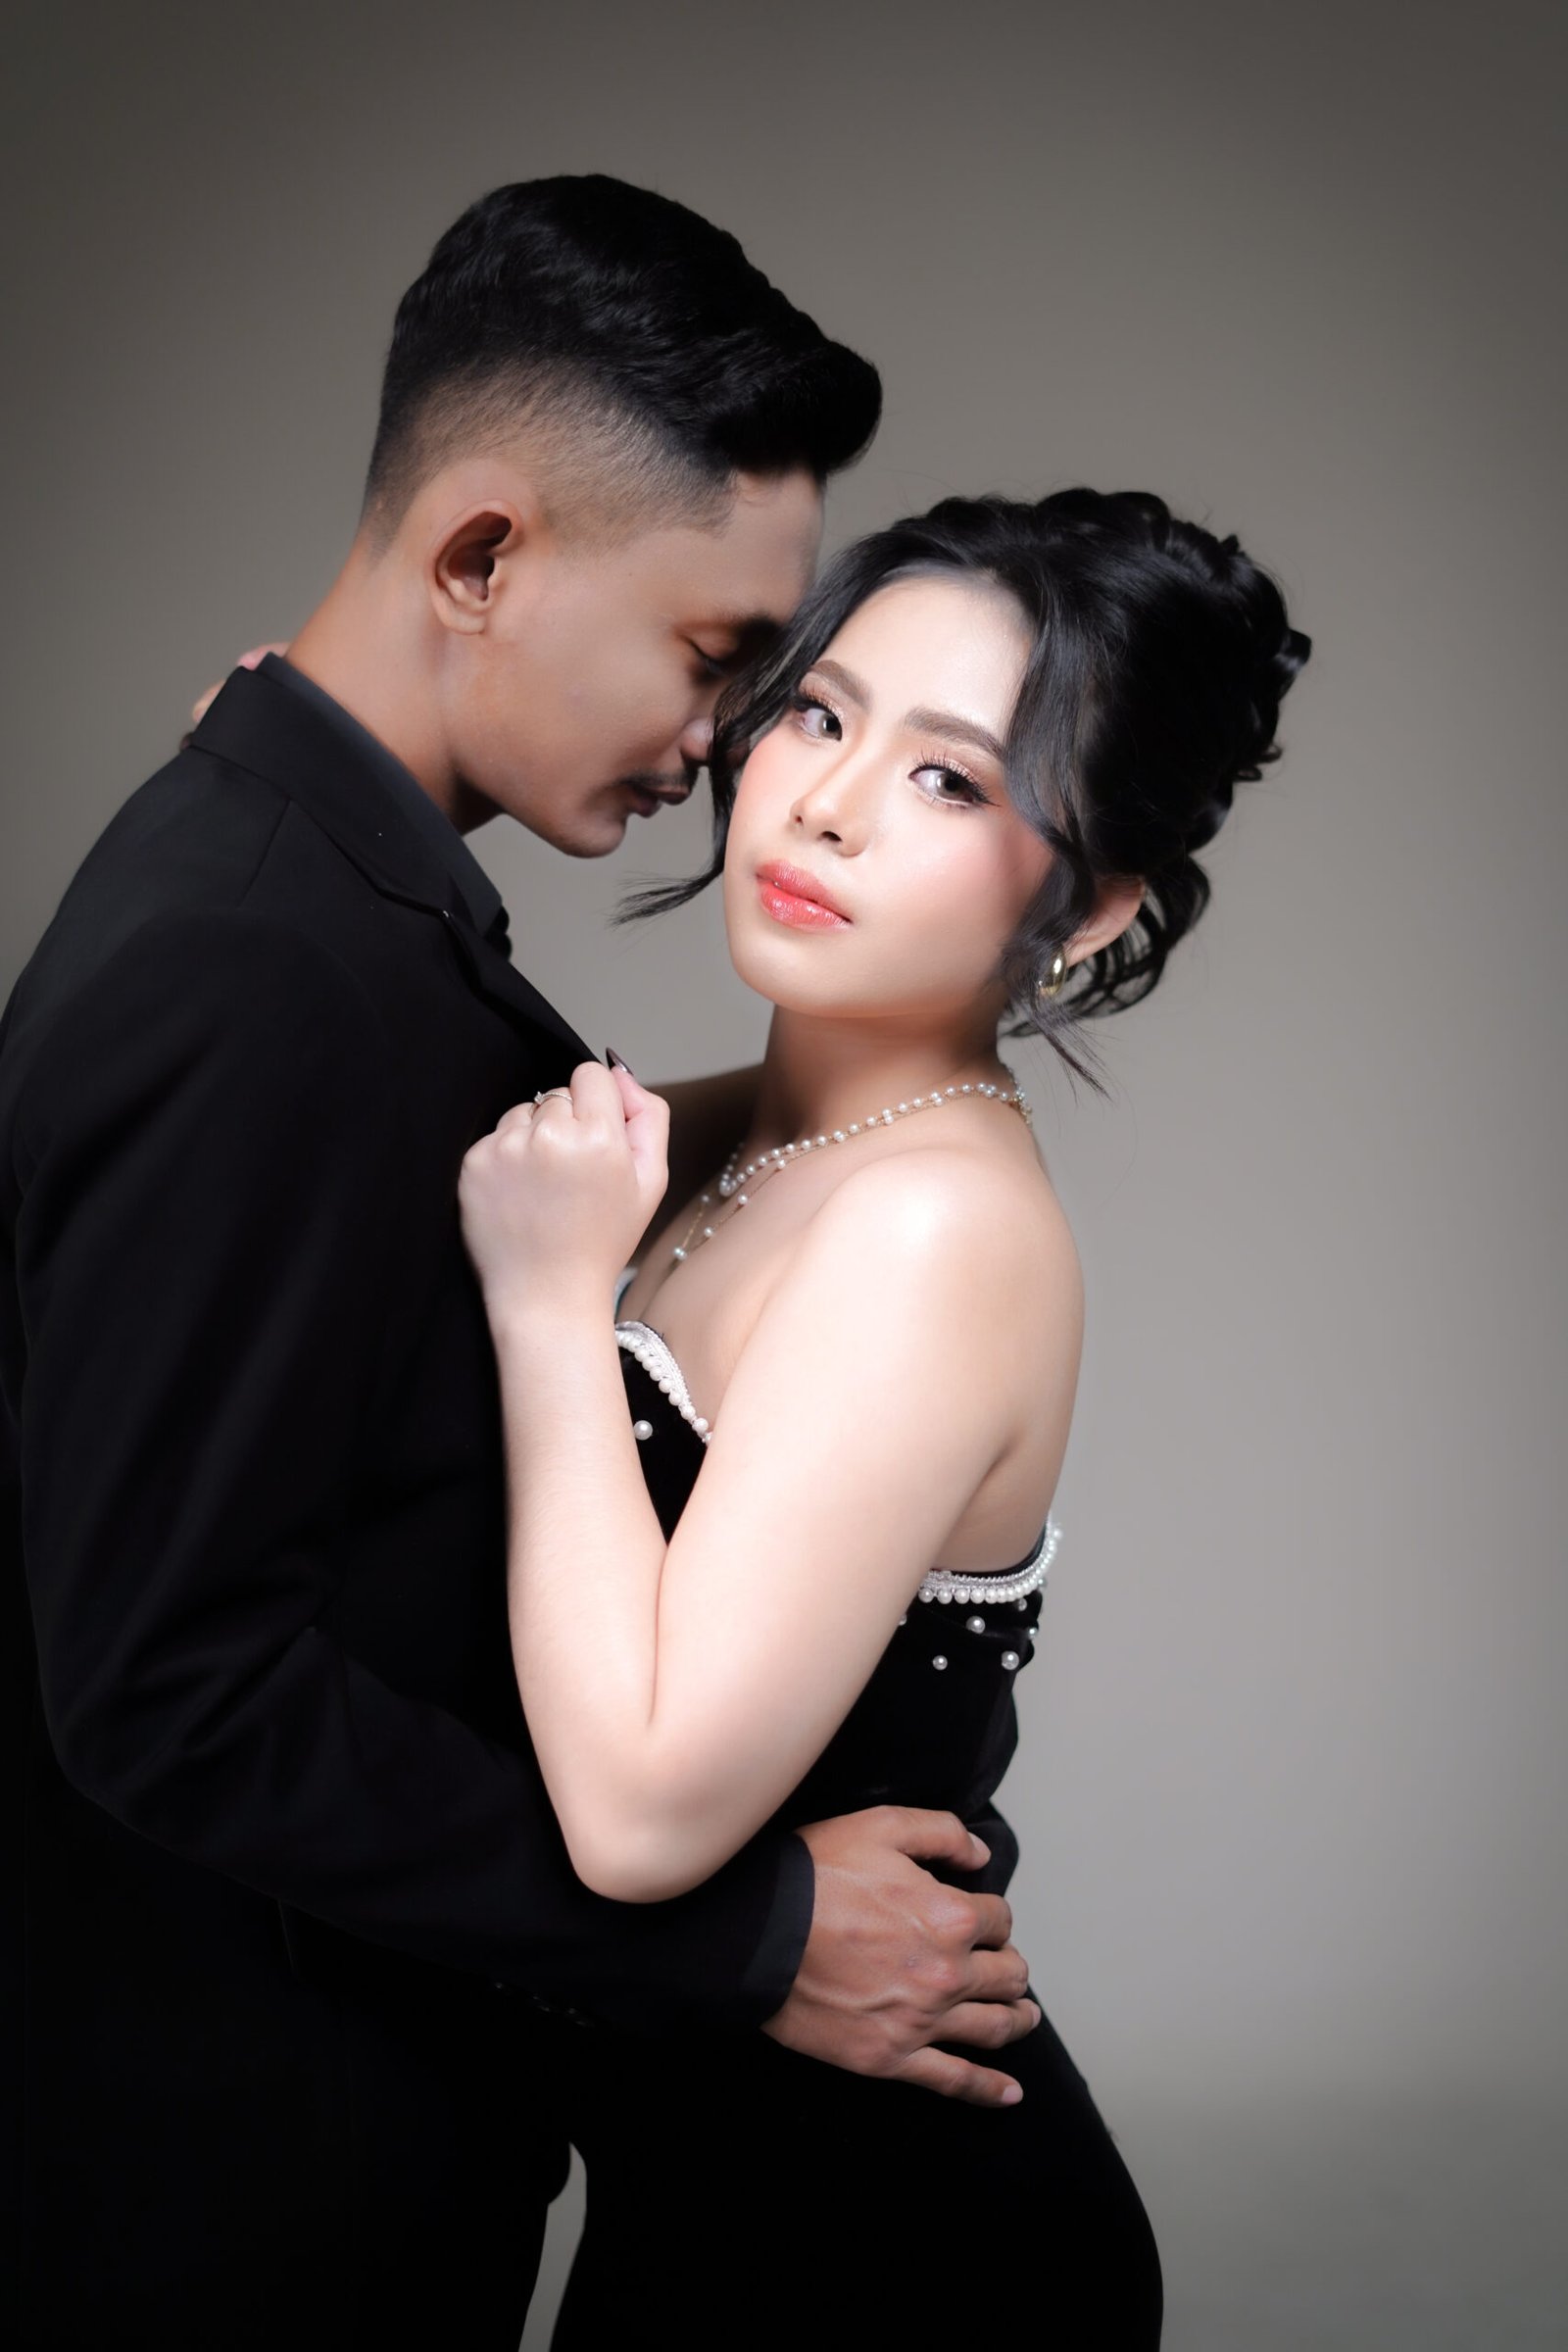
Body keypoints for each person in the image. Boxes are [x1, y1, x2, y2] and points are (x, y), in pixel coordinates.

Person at [0, 179, 1043, 2352]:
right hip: (243, 2190)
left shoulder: (319, 897)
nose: (726, 751)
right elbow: (165, 1687)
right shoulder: (251, 958)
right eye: (716, 660)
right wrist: (748, 1941)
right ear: (481, 559)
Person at [458, 487, 1310, 2343]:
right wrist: (289, 787)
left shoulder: (935, 1226)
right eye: (820, 716)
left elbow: (640, 1817)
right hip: (711, 2194)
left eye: (948, 779)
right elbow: (442, 1111)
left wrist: (544, 1309)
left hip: (900, 2243)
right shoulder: (745, 1140)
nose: (828, 803)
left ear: (1092, 909)